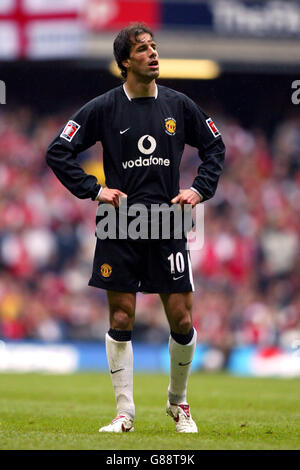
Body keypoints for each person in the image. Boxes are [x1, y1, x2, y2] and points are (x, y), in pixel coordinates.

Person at [46, 22, 225, 434]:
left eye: (154, 46)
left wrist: (199, 190)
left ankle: (178, 403)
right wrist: (93, 190)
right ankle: (124, 412)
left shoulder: (180, 105)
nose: (153, 53)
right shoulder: (103, 107)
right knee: (122, 315)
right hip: (119, 220)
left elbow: (215, 145)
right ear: (126, 61)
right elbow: (59, 150)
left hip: (167, 219)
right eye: (143, 49)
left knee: (181, 319)